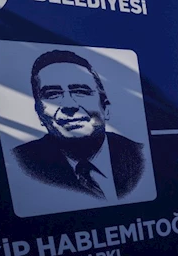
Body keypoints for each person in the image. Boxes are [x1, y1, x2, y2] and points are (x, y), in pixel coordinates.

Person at [14, 50, 145, 200]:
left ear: (105, 108)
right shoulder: (20, 162)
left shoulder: (140, 156)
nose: (69, 105)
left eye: (80, 91)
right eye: (52, 94)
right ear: (39, 114)